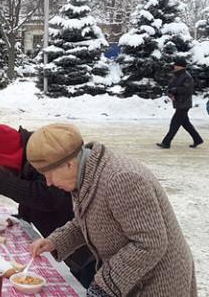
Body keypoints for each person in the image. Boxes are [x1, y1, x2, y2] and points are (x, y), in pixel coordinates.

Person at [28, 123, 197, 296]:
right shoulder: (84, 175)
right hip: (133, 280)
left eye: (48, 174)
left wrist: (104, 286)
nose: (48, 182)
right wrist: (55, 242)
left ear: (69, 164)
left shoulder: (121, 178)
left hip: (158, 285)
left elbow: (149, 242)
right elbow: (86, 221)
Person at [0, 124, 95, 288]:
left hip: (85, 252)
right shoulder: (27, 156)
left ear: (8, 156)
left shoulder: (44, 154)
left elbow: (49, 198)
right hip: (64, 239)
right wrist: (21, 218)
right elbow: (30, 194)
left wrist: (9, 185)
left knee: (82, 283)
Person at [157, 57, 204, 149]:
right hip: (179, 103)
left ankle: (166, 142)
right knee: (185, 123)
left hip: (184, 104)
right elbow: (170, 88)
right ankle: (197, 139)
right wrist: (171, 94)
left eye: (177, 65)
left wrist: (174, 90)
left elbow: (186, 90)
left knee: (174, 123)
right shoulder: (176, 75)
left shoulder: (187, 77)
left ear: (182, 67)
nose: (174, 66)